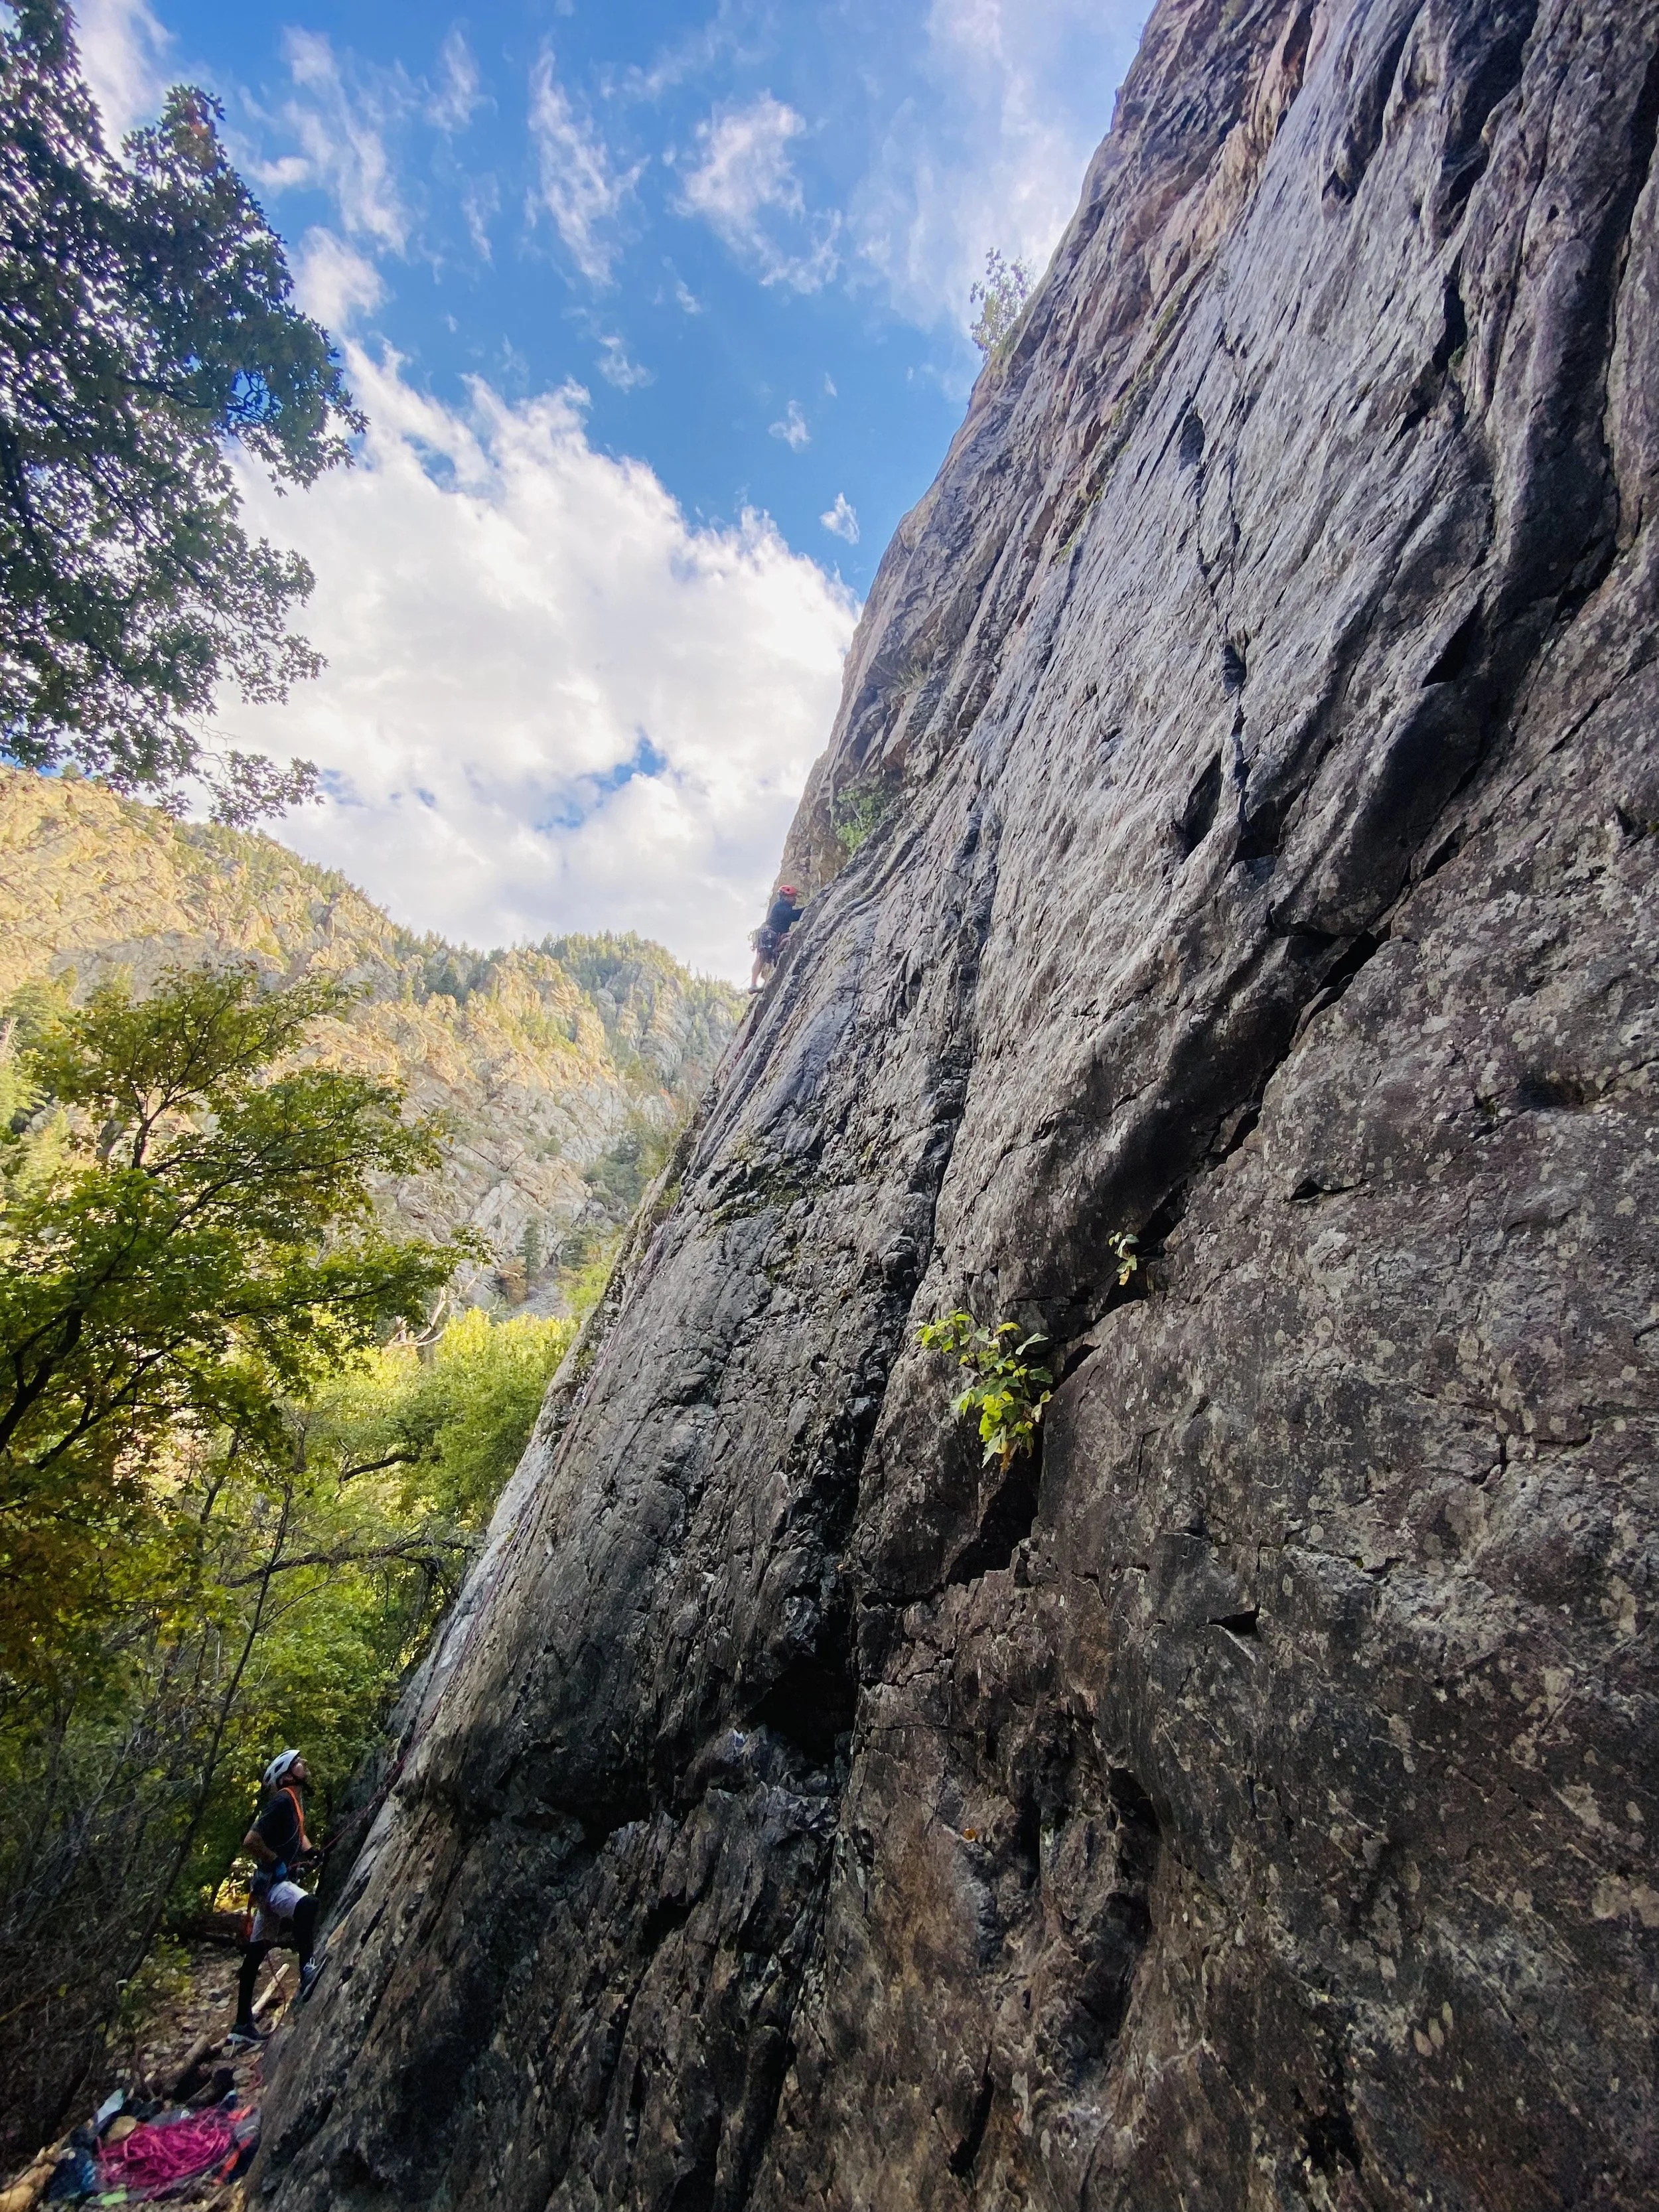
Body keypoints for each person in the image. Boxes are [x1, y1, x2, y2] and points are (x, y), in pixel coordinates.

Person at [227, 1749, 322, 2045]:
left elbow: (297, 1834)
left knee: (257, 1951)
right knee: (308, 1905)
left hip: (269, 1885)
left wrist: (309, 1851)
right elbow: (251, 1841)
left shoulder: (293, 1799)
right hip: (273, 1884)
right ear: (287, 1775)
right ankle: (307, 1969)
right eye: (298, 1763)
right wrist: (275, 1861)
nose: (304, 1765)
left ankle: (242, 2024)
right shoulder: (282, 1800)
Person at [749, 883, 803, 990]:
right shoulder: (780, 906)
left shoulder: (784, 906)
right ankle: (753, 984)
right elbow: (793, 916)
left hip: (776, 934)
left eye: (795, 896)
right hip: (769, 933)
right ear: (785, 897)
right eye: (792, 896)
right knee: (762, 957)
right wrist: (808, 908)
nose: (795, 899)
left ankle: (761, 984)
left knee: (775, 952)